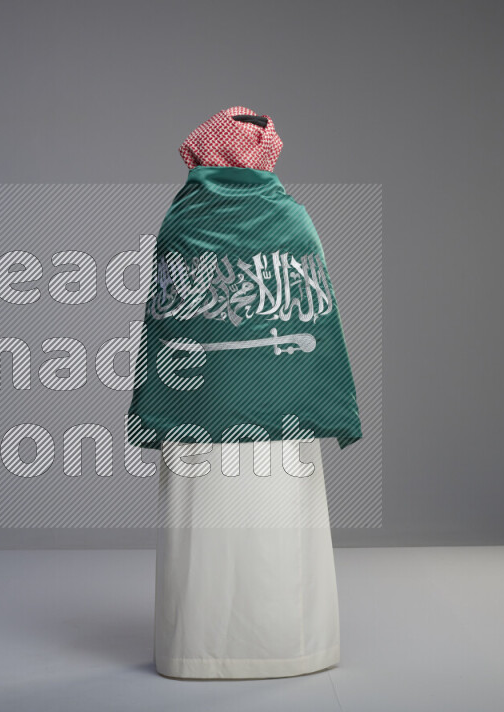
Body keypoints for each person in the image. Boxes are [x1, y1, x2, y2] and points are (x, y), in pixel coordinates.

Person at [127, 106, 363, 679]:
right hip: (280, 420)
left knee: (204, 536)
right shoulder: (293, 221)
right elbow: (318, 314)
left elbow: (167, 322)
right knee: (278, 531)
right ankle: (291, 645)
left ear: (206, 151)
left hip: (200, 414)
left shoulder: (181, 222)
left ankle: (196, 650)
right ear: (265, 151)